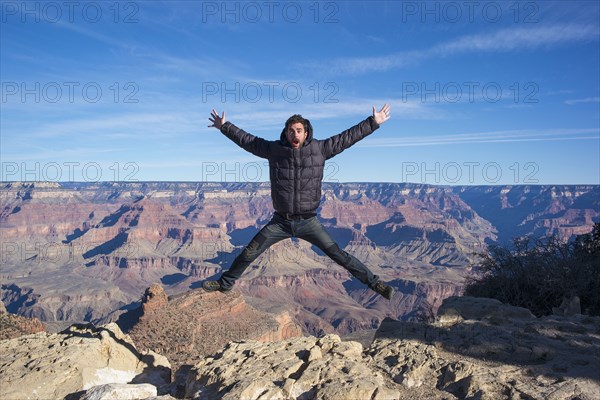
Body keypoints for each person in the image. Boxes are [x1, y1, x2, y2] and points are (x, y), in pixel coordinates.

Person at [202, 104, 394, 300]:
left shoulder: (320, 149)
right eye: (291, 131)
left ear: (306, 132)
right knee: (249, 252)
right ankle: (225, 284)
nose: (295, 134)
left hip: (309, 222)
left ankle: (375, 283)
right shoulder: (274, 150)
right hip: (280, 222)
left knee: (339, 256)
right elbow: (248, 141)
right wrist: (224, 126)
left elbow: (347, 138)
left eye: (299, 131)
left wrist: (373, 123)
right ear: (285, 132)